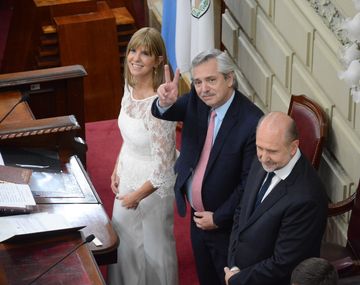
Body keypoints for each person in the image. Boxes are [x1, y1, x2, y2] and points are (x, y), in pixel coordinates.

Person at [151, 49, 264, 285]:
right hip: (197, 217)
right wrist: (164, 101)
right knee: (205, 278)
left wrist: (219, 218)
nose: (204, 89)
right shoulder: (197, 99)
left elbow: (249, 183)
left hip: (226, 226)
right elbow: (168, 111)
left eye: (211, 80)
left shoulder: (251, 122)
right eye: (198, 82)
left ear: (229, 79)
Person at [108, 27, 178, 285]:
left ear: (158, 61)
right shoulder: (130, 86)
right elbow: (129, 138)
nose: (136, 58)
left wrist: (136, 196)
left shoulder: (160, 107)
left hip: (151, 190)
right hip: (127, 176)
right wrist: (117, 167)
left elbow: (164, 170)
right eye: (133, 51)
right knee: (124, 243)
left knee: (152, 250)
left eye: (145, 53)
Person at [224, 112, 328, 285]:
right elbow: (241, 212)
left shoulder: (307, 198)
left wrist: (239, 279)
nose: (263, 158)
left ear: (293, 147)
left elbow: (284, 263)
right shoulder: (265, 159)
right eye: (260, 148)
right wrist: (233, 263)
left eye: (272, 151)